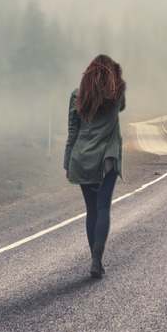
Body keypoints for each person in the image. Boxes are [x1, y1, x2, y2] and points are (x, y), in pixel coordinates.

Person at [64, 54, 126, 278]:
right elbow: (123, 107)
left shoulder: (77, 95)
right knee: (103, 208)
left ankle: (95, 261)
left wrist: (67, 164)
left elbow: (73, 132)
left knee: (91, 211)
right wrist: (116, 75)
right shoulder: (116, 95)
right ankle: (96, 260)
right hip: (106, 161)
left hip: (81, 160)